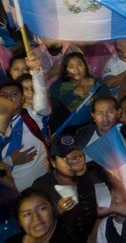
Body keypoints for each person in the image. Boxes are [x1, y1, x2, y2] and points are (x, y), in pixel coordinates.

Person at [7, 149, 97, 243]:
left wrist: (81, 172)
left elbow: (87, 207)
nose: (36, 218)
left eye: (42, 209)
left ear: (53, 211)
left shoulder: (71, 234)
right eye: (27, 214)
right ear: (19, 222)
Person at [0, 53, 49, 192]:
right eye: (3, 95)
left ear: (22, 99)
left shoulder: (33, 117)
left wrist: (36, 72)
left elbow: (41, 99)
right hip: (11, 199)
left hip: (43, 192)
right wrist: (11, 161)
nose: (8, 97)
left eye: (14, 93)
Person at [49, 52, 110, 132]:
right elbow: (54, 110)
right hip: (63, 131)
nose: (76, 69)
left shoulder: (97, 84)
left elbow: (109, 104)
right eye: (71, 67)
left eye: (79, 65)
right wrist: (74, 93)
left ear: (85, 66)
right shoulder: (57, 86)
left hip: (91, 128)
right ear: (65, 71)